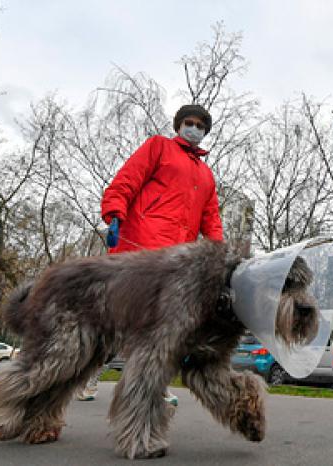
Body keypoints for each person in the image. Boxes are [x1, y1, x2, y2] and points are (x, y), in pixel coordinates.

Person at [76, 104, 223, 402]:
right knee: (118, 315)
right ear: (179, 125)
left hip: (177, 257)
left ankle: (150, 384)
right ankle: (87, 374)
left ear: (205, 132)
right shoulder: (159, 147)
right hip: (141, 245)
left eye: (199, 125)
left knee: (158, 322)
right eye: (188, 123)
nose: (193, 128)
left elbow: (211, 216)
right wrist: (114, 212)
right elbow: (129, 177)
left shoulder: (205, 174)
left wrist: (219, 253)